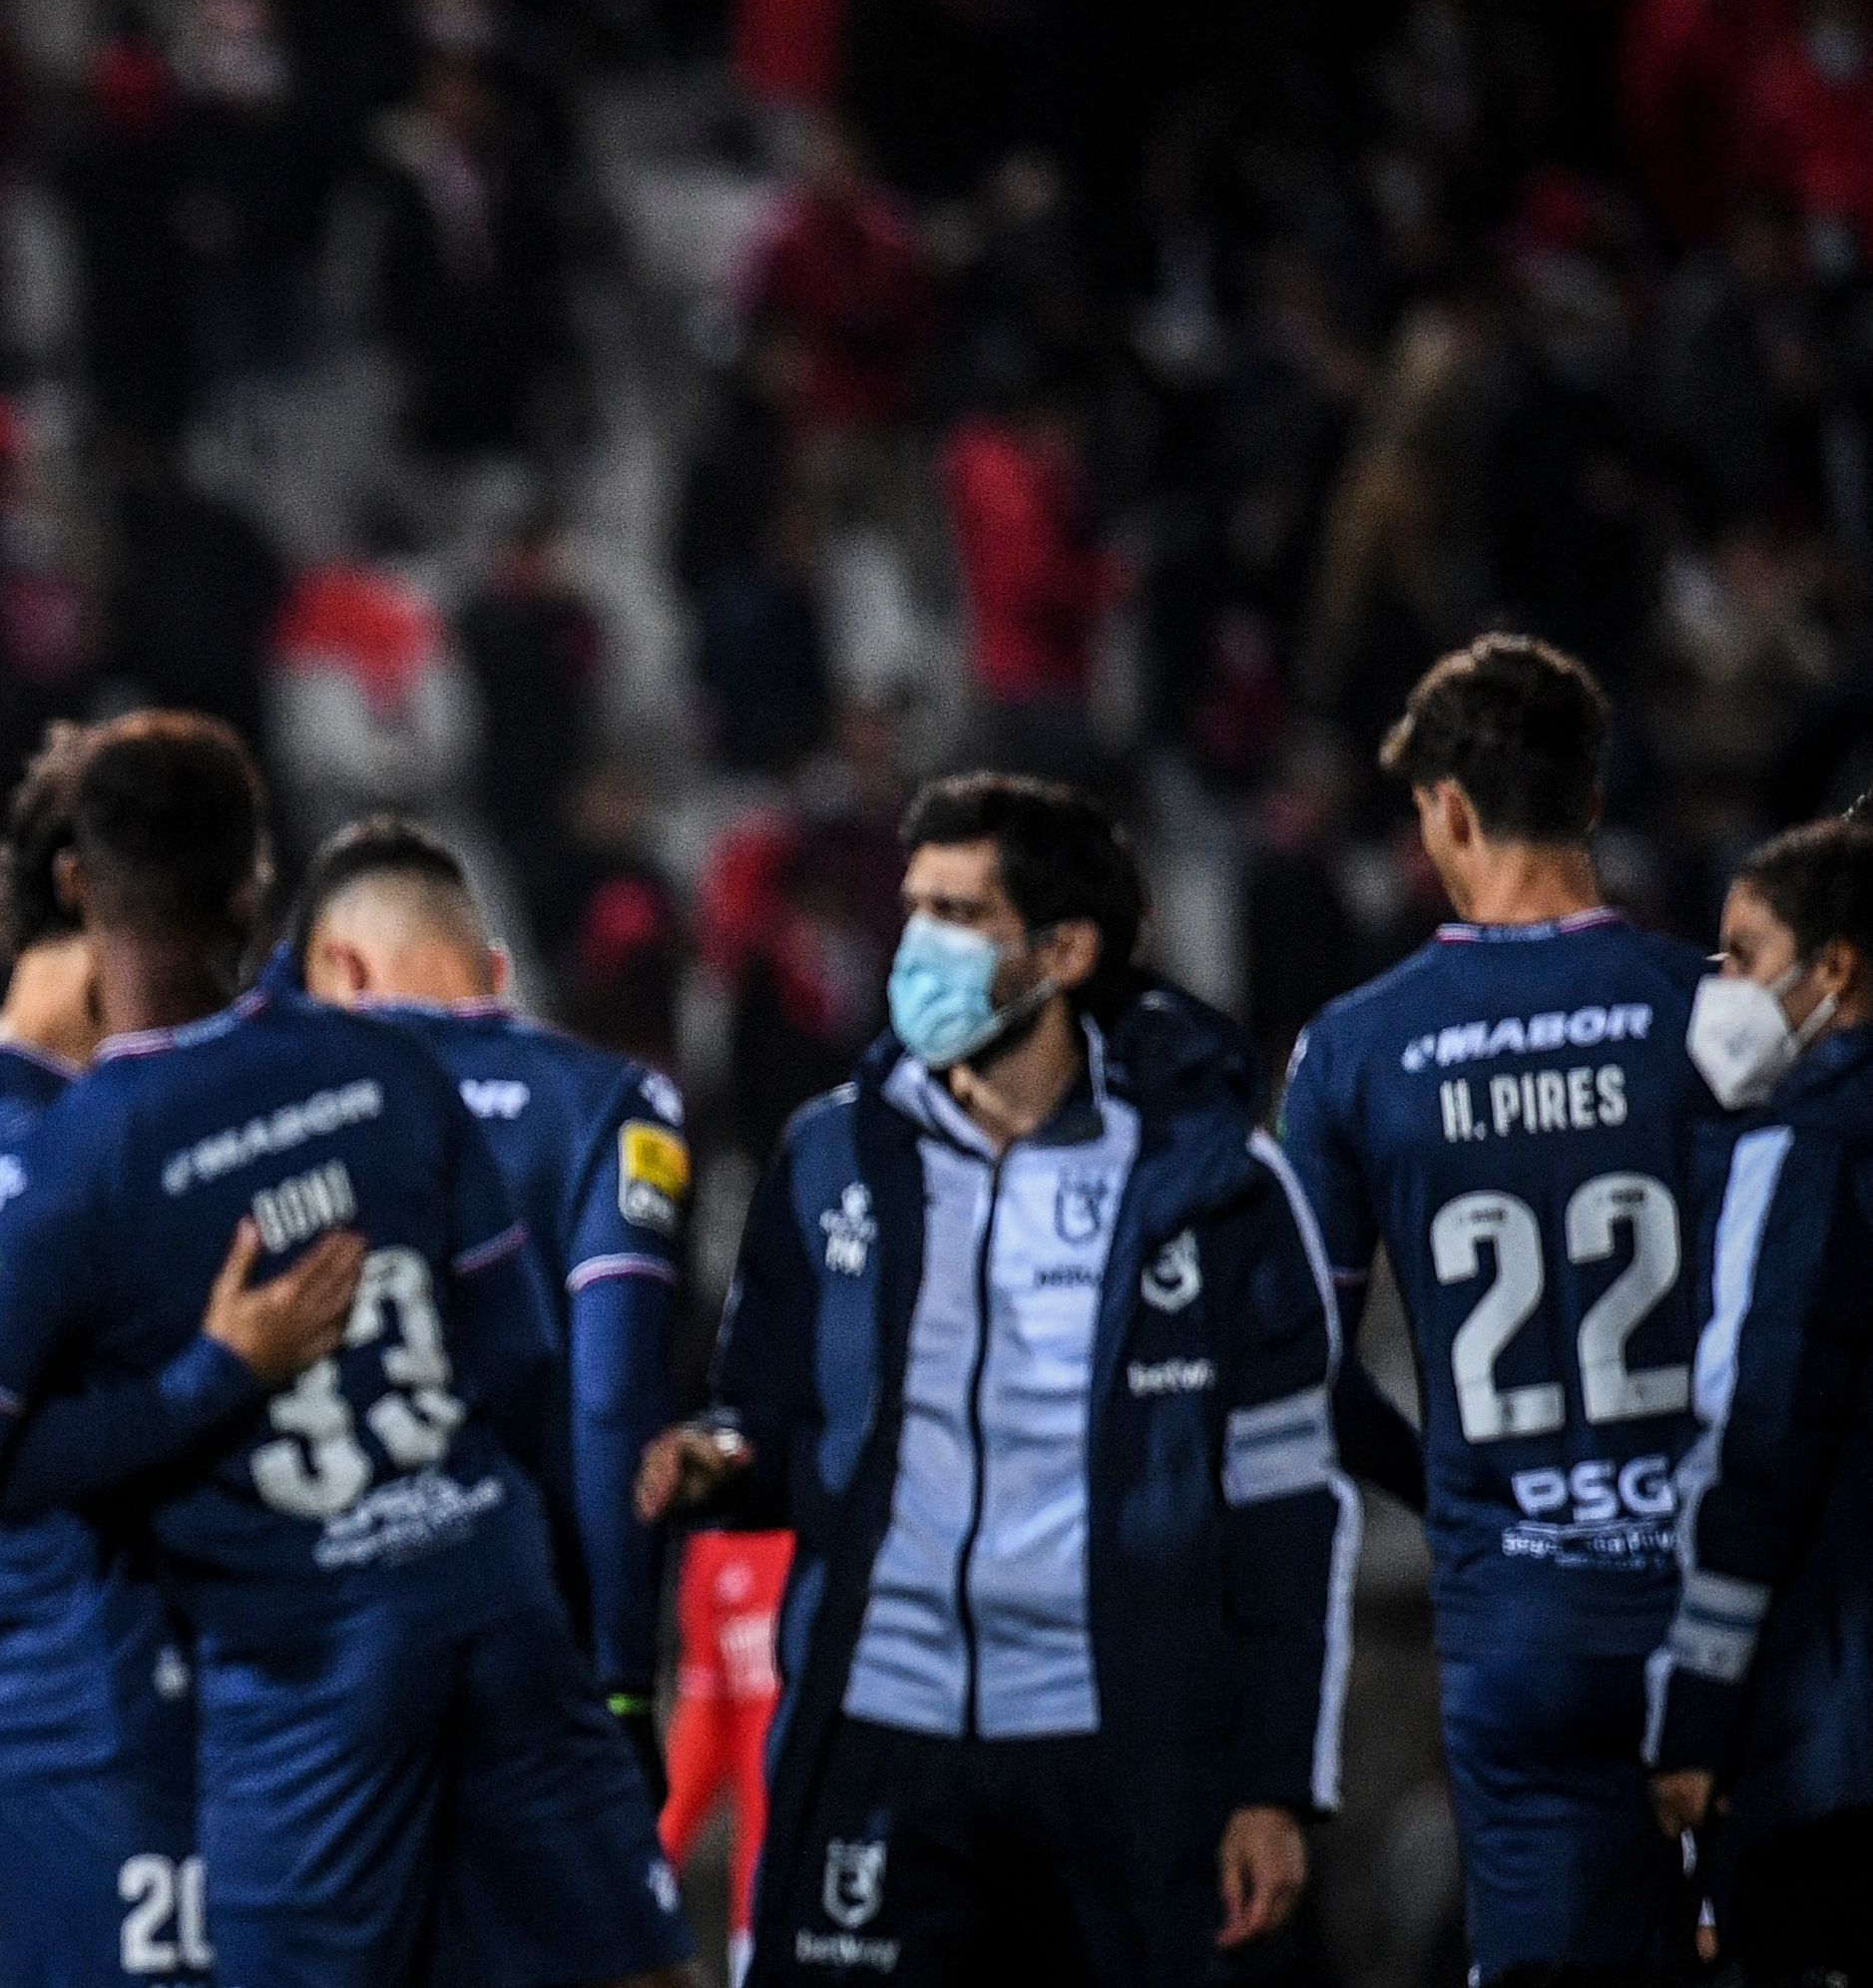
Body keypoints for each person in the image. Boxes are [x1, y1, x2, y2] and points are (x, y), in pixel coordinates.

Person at [0, 712, 691, 1988]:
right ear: (254, 884)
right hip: (491, 1594)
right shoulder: (388, 1065)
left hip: (307, 1670)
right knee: (636, 1968)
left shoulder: (76, 1160)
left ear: (76, 883)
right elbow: (523, 1373)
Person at [642, 772, 1351, 1985]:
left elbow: (1286, 1504)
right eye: (915, 906)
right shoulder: (830, 1153)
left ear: (1066, 949)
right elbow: (772, 1418)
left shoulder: (1213, 1183)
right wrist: (714, 1460)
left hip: (1116, 1748)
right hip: (879, 1735)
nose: (917, 943)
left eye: (961, 916)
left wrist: (1276, 1783)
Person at [0, 725, 352, 1988]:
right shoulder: (9, 1133)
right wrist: (219, 1370)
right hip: (86, 1697)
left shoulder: (39, 1117)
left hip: (126, 1672)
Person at [1278, 635, 1710, 1984]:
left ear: (1450, 813)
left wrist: (1446, 1487)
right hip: (1721, 1623)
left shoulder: (1355, 1048)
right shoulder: (1719, 1015)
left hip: (1518, 1616)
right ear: (1589, 799)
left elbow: (1295, 1361)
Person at [284, 815, 685, 1797]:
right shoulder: (610, 1103)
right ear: (496, 972)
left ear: (341, 968)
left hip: (310, 1655)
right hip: (524, 1636)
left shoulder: (256, 1119)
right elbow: (611, 1396)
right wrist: (625, 1677)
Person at [1647, 816, 1873, 1985]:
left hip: (1827, 1745)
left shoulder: (1800, 1149)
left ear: (1832, 967)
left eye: (1742, 953)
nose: (1720, 984)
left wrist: (1696, 1715)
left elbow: (1758, 1439)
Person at [658, 1529, 792, 1981]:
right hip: (753, 1913)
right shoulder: (711, 1546)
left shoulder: (830, 1523)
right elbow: (705, 1718)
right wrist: (647, 1861)